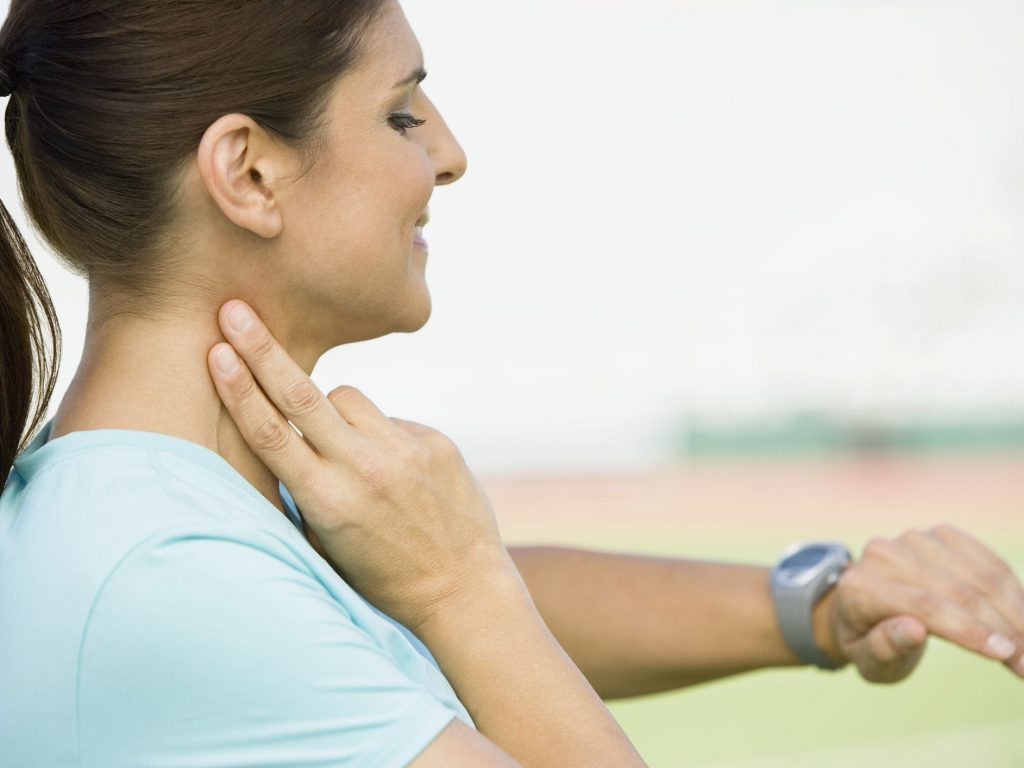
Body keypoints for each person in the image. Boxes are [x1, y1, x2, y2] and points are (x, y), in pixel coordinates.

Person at [0, 1, 1020, 765]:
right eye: (402, 113)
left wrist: (813, 604)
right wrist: (462, 587)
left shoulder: (155, 501)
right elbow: (434, 600)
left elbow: (380, 606)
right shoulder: (165, 579)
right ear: (250, 174)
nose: (450, 155)